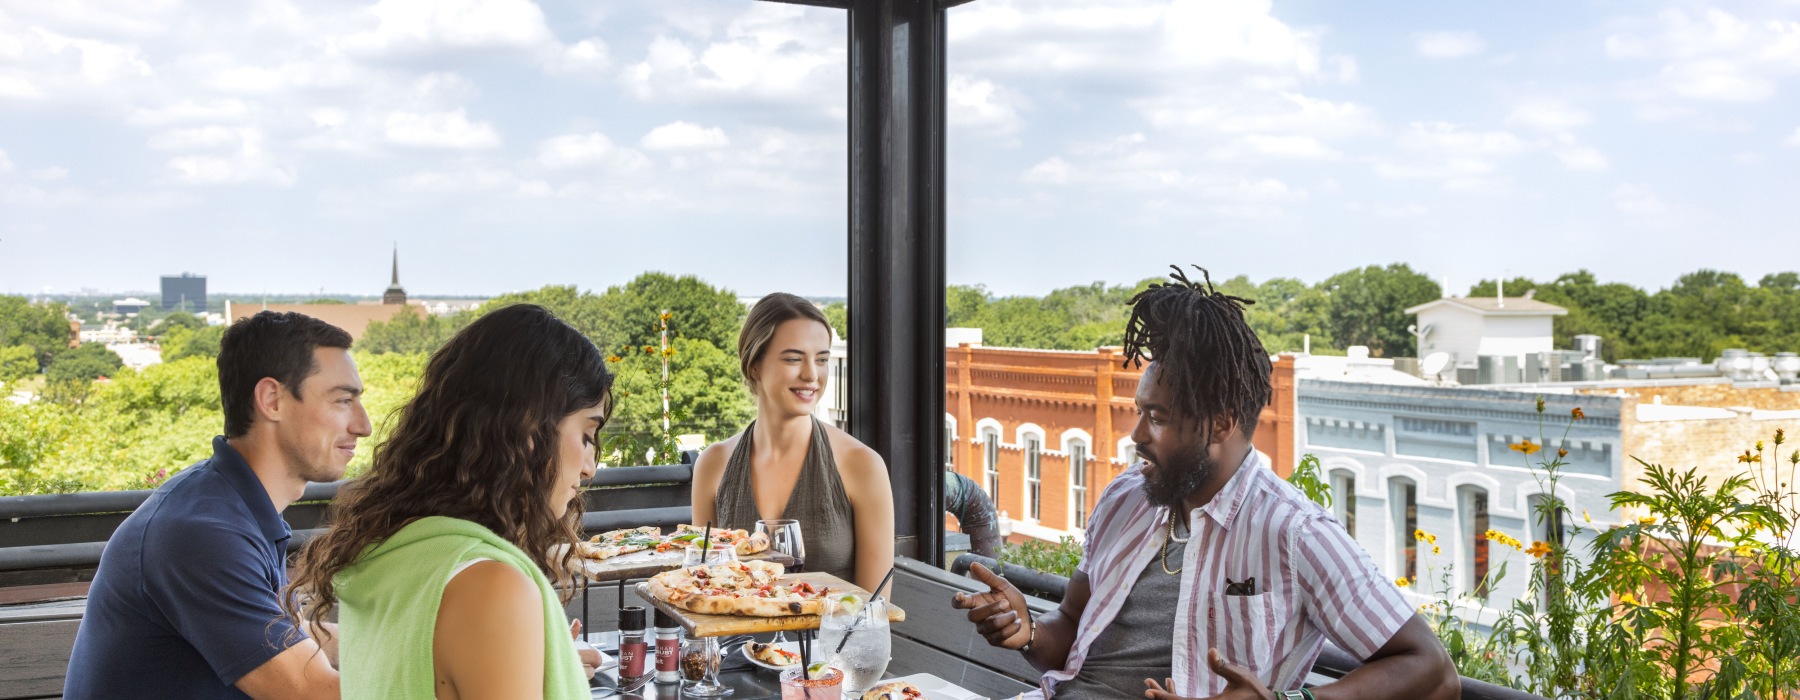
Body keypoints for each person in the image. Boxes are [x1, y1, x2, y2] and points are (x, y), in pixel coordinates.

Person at [952, 266, 1460, 700]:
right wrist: (1027, 630)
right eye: (1139, 411)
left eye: (1157, 417)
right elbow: (1069, 633)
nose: (1136, 434)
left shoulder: (1292, 532)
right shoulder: (1125, 500)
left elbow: (1433, 671)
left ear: (1219, 423)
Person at [282, 304, 608, 700]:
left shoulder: (388, 554)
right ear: (528, 429)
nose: (590, 467)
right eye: (587, 435)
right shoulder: (491, 588)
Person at [65, 311, 365, 699]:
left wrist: (415, 644)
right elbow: (314, 693)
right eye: (343, 400)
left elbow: (282, 636)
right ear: (272, 400)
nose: (363, 425)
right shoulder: (200, 533)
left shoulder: (227, 507)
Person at [691, 292, 894, 593]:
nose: (812, 374)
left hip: (834, 641)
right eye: (793, 358)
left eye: (821, 360)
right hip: (733, 642)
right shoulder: (714, 464)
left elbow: (874, 610)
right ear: (754, 365)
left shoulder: (862, 465)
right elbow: (703, 590)